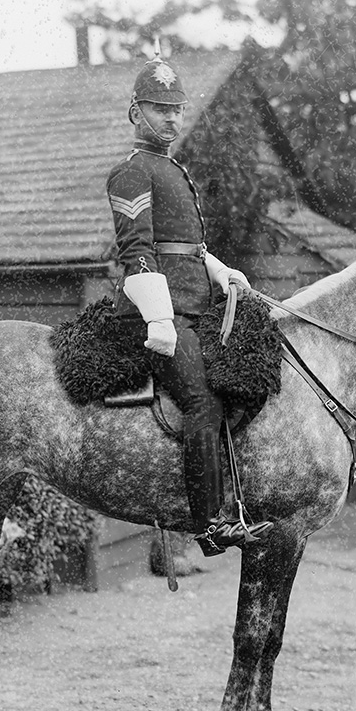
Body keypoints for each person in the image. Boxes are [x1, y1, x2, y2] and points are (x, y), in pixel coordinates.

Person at [106, 54, 273, 557]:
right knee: (203, 402)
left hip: (195, 304)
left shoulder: (171, 168)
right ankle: (208, 523)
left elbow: (187, 246)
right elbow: (136, 251)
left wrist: (218, 269)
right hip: (159, 313)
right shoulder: (131, 172)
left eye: (177, 110)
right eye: (160, 109)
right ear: (136, 113)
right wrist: (158, 316)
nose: (173, 119)